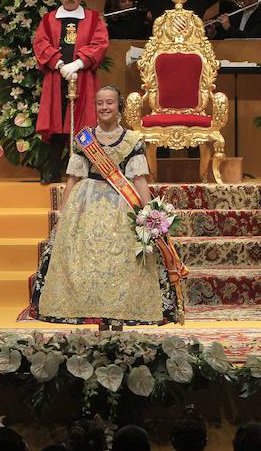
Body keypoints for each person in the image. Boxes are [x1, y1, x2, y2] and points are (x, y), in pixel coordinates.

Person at [28, 86, 182, 328]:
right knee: (88, 267)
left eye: (109, 102)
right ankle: (97, 322)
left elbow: (140, 181)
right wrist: (62, 216)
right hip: (85, 206)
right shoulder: (84, 139)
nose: (104, 107)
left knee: (121, 266)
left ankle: (119, 322)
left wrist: (149, 214)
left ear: (118, 106)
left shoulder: (132, 140)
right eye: (100, 103)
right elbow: (72, 180)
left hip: (123, 208)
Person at [33, 0, 109, 184]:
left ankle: (86, 172)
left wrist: (79, 63)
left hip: (83, 77)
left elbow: (100, 43)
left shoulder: (92, 19)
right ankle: (54, 170)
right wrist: (59, 64)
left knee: (84, 125)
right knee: (57, 126)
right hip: (57, 78)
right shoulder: (49, 19)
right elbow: (41, 43)